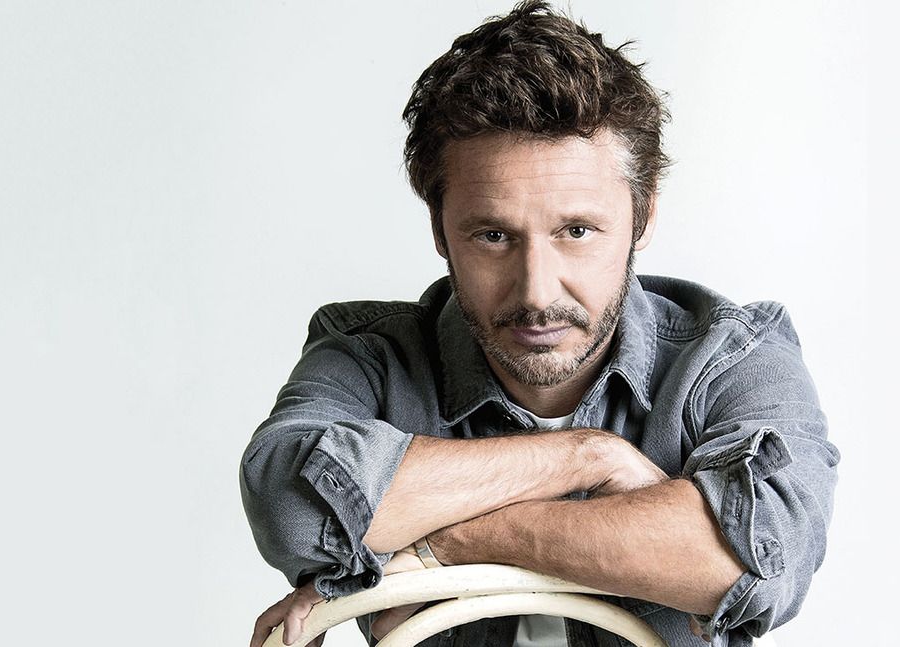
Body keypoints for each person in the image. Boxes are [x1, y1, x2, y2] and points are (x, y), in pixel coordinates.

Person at [241, 2, 839, 645]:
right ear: (440, 229)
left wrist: (450, 542)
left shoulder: (732, 359)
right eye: (493, 236)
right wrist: (586, 459)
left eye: (576, 232)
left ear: (642, 217)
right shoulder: (370, 356)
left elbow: (757, 560)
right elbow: (289, 507)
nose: (536, 292)